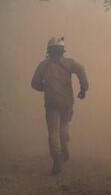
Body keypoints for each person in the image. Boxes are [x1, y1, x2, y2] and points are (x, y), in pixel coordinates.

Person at [30, 36, 88, 175]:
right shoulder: (69, 63)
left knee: (53, 131)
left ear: (49, 50)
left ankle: (57, 159)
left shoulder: (44, 65)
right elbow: (81, 71)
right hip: (67, 101)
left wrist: (47, 88)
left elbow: (34, 83)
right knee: (64, 125)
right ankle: (65, 149)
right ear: (63, 50)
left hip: (51, 102)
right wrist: (83, 89)